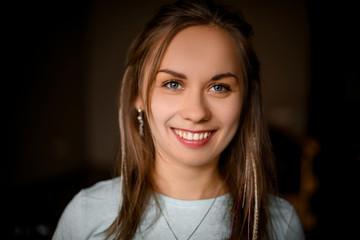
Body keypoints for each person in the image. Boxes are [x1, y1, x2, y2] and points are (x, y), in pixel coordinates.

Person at [52, 0, 305, 239]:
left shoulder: (281, 224)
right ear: (137, 96)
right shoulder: (86, 214)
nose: (196, 113)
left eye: (219, 87)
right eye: (172, 84)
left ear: (246, 101)